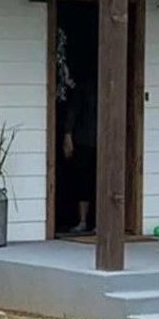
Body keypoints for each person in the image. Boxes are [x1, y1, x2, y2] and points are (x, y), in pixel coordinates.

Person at [61, 74, 98, 233]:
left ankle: (100, 223)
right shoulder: (83, 86)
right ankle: (83, 221)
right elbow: (72, 111)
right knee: (83, 182)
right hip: (84, 141)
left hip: (105, 142)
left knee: (101, 183)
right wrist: (68, 135)